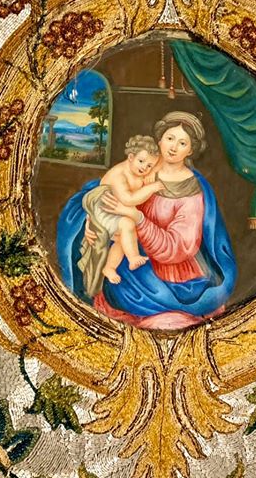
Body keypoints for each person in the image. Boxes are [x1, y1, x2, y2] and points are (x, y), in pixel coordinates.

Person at [57, 111, 236, 330]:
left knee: (165, 317)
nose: (173, 147)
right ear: (160, 140)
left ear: (190, 150)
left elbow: (180, 246)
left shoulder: (191, 190)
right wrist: (93, 221)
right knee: (118, 294)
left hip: (173, 273)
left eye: (182, 143)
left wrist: (139, 219)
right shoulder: (145, 165)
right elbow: (107, 191)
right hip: (128, 261)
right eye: (170, 138)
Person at [78, 135, 165, 295]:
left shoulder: (139, 168)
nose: (145, 168)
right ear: (131, 157)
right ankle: (133, 257)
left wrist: (153, 169)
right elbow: (128, 199)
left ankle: (109, 267)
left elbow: (160, 160)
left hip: (115, 210)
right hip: (104, 208)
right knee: (127, 225)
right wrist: (151, 187)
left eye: (149, 166)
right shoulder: (120, 175)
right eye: (141, 161)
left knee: (122, 239)